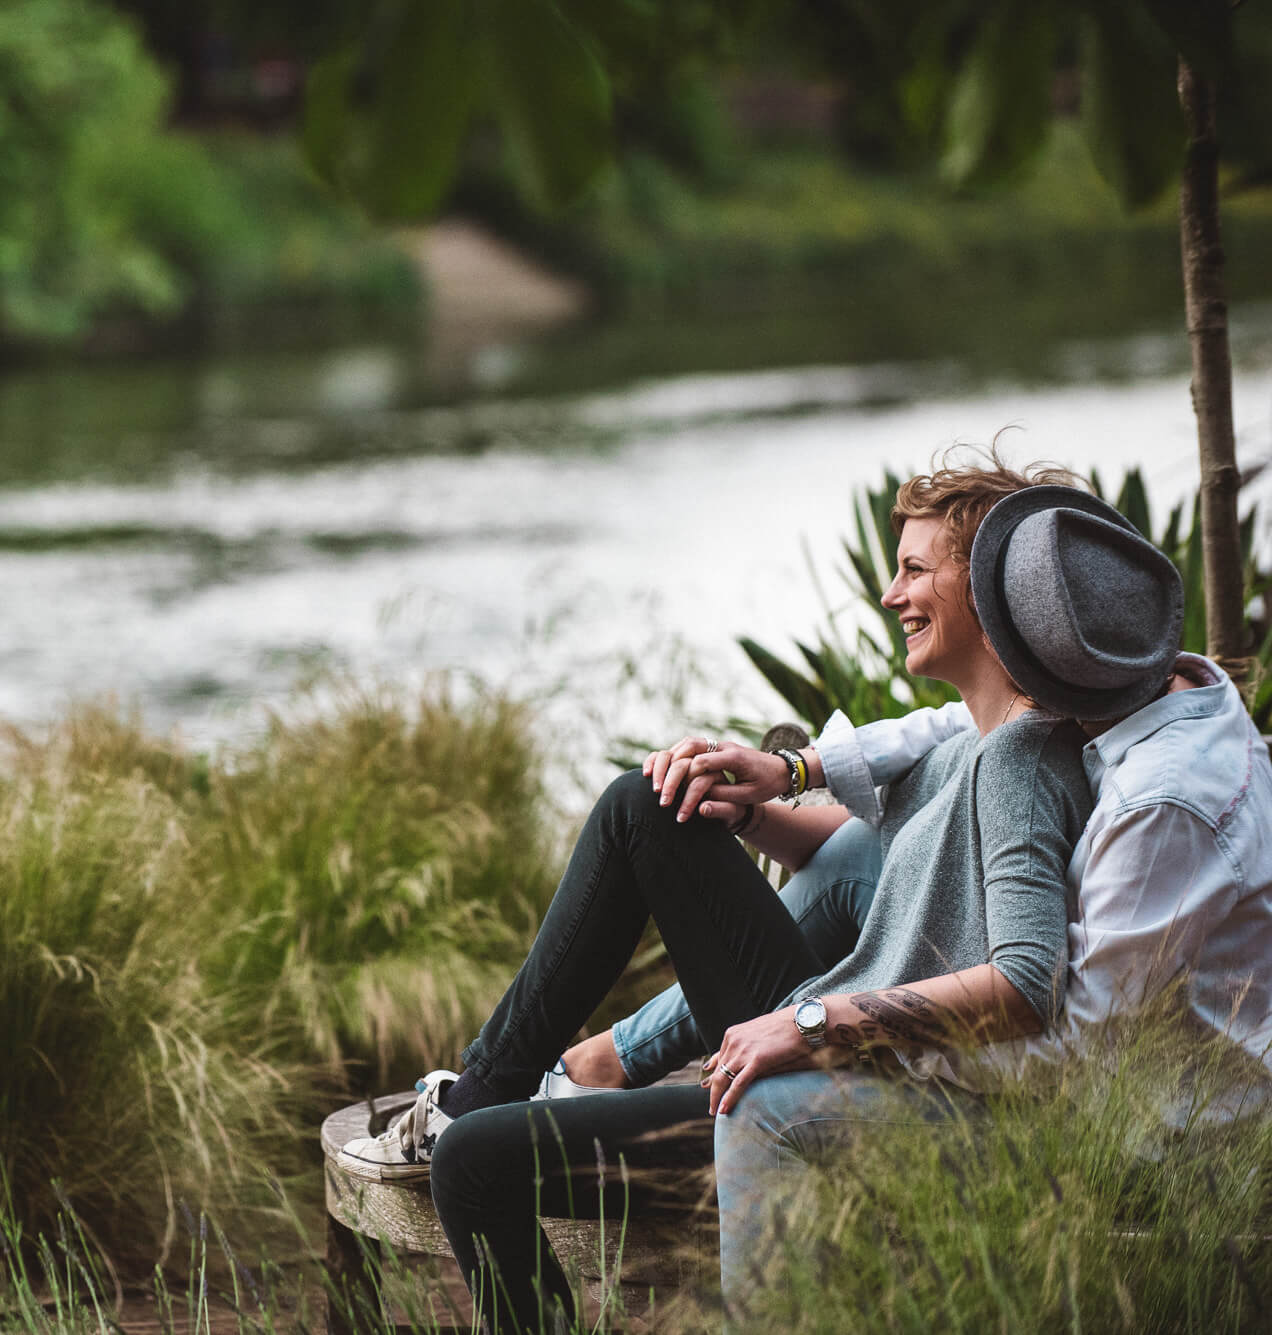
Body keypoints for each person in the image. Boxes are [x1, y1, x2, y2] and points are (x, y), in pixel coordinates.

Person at [334, 463, 1175, 1329]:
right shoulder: (975, 743)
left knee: (474, 1160)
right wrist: (749, 808)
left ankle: (481, 1097)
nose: (892, 595)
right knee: (646, 803)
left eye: (917, 569)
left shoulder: (1017, 763)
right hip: (838, 1054)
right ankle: (488, 1090)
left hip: (855, 1093)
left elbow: (1028, 978)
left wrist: (809, 1025)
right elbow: (855, 849)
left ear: (991, 586)